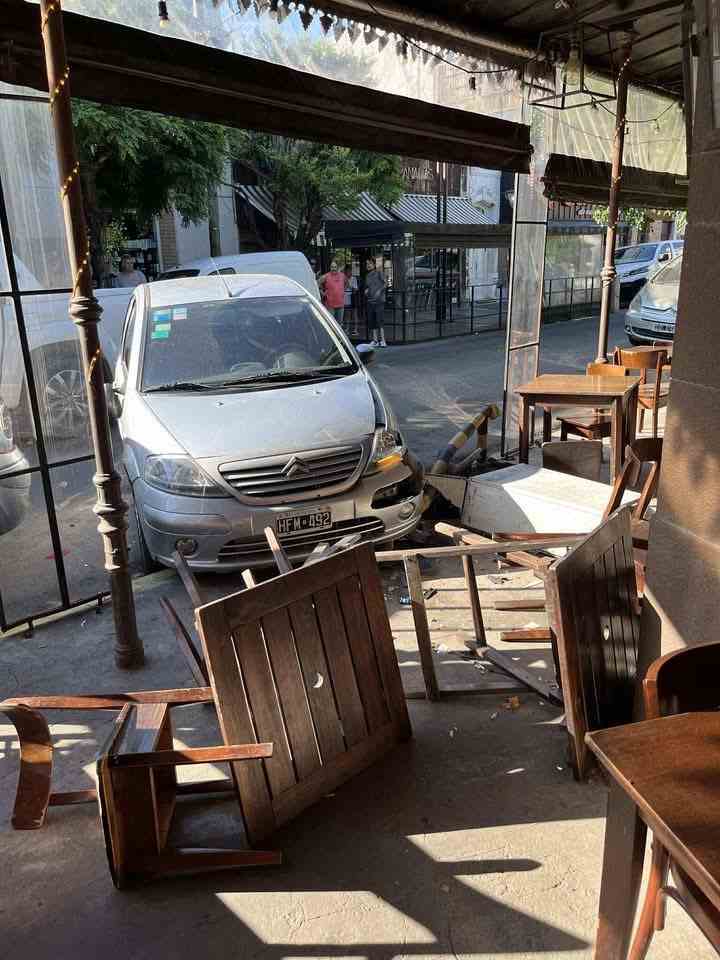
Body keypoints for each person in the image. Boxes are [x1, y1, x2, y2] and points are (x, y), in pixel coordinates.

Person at [364, 258, 387, 347]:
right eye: (367, 264)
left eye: (370, 263)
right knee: (372, 321)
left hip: (379, 301)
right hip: (370, 301)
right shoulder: (367, 276)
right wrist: (366, 291)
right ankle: (375, 340)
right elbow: (368, 287)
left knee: (380, 320)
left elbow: (385, 284)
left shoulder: (379, 273)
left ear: (374, 264)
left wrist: (379, 291)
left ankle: (383, 340)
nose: (368, 265)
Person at [319, 260, 346, 325]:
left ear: (337, 267)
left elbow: (346, 284)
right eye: (332, 267)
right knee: (331, 324)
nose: (333, 269)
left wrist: (342, 291)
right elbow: (316, 283)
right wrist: (322, 293)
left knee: (339, 324)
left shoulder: (342, 276)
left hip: (340, 304)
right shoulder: (326, 276)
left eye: (335, 267)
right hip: (330, 305)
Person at [343, 264, 358, 336]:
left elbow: (355, 289)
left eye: (350, 271)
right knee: (347, 314)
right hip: (345, 296)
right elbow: (343, 288)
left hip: (352, 297)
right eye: (347, 271)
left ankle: (355, 329)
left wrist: (350, 286)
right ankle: (347, 328)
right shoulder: (343, 278)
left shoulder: (353, 278)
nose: (349, 272)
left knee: (354, 313)